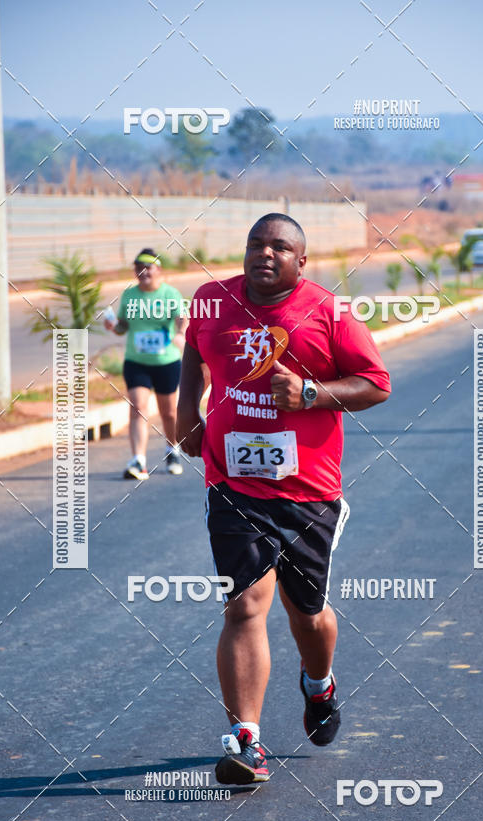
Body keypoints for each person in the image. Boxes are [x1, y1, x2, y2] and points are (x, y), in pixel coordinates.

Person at [176, 214, 391, 785]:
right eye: (255, 244)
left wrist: (311, 392)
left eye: (279, 247)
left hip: (308, 491)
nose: (264, 254)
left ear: (302, 260)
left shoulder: (330, 312)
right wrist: (184, 415)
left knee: (308, 613)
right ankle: (246, 742)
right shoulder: (210, 301)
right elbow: (193, 356)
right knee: (244, 606)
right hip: (232, 483)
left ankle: (318, 683)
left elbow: (375, 382)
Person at [104, 248, 187, 479]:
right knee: (139, 406)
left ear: (158, 270)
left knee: (169, 412)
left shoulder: (170, 294)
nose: (142, 272)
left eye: (147, 267)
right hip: (136, 361)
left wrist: (180, 333)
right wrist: (114, 326)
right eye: (138, 267)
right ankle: (138, 460)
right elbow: (123, 327)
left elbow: (182, 318)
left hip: (166, 361)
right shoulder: (130, 295)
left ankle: (173, 449)